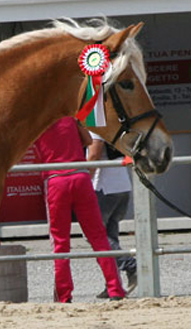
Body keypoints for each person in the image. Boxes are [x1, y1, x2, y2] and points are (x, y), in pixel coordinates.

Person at [35, 116, 127, 303]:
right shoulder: (69, 118)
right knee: (98, 236)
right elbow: (88, 141)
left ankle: (64, 295)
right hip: (80, 176)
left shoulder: (37, 121)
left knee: (60, 242)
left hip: (55, 179)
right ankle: (115, 289)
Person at [86, 133, 138, 298]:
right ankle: (112, 284)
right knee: (110, 237)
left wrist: (86, 180)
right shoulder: (110, 125)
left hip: (104, 186)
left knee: (93, 235)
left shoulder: (94, 123)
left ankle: (131, 265)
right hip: (121, 184)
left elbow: (94, 154)